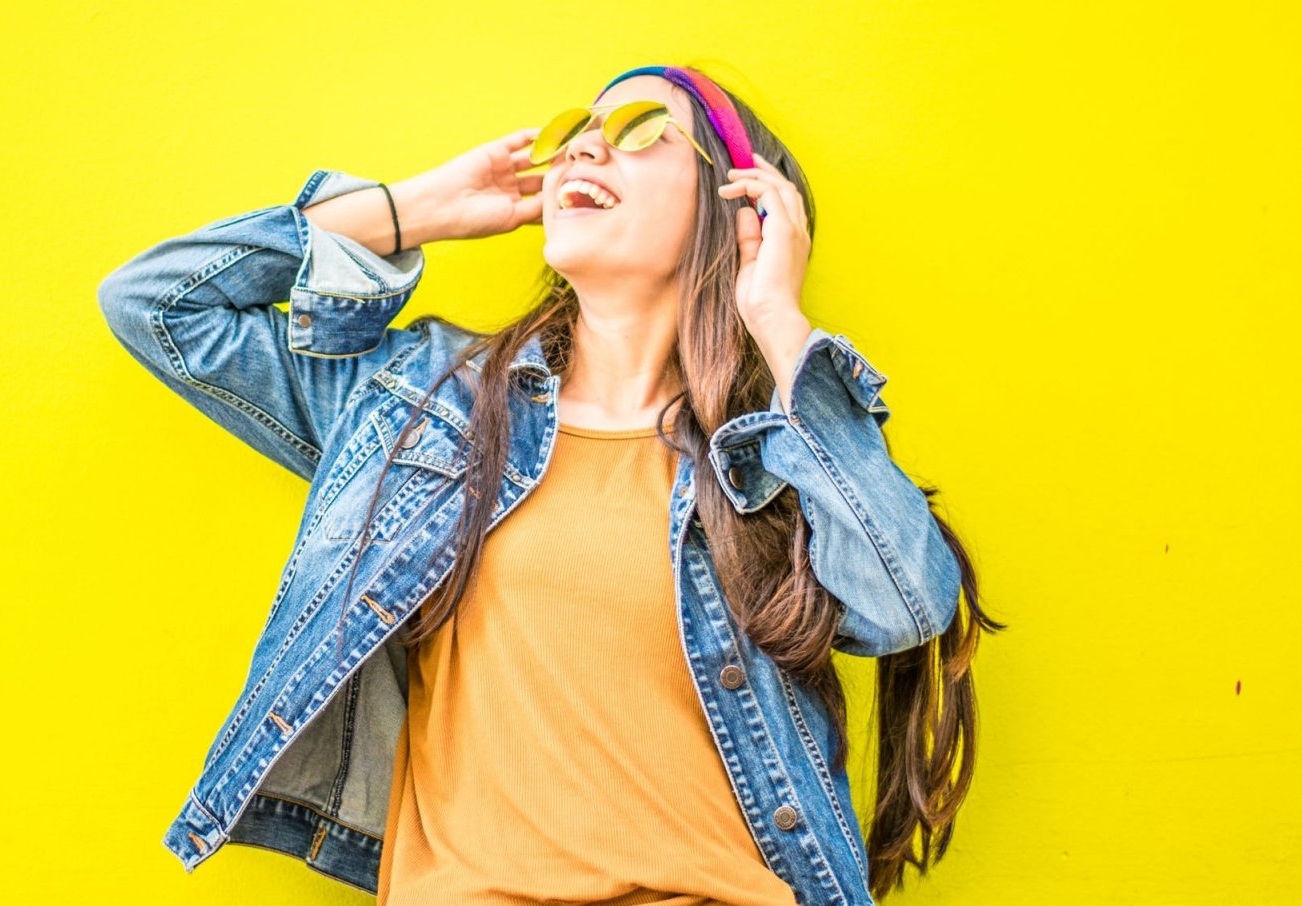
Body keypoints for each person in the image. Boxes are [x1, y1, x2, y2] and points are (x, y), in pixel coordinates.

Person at [99, 62, 1005, 906]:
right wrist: (413, 209)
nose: (583, 145)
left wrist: (776, 317)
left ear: (741, 208)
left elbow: (906, 605)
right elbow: (156, 304)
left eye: (643, 129)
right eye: (578, 131)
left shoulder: (771, 455)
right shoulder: (422, 404)